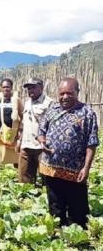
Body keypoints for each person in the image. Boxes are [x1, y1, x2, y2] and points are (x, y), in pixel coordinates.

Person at [38, 77, 99, 227]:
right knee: (55, 203)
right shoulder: (52, 109)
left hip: (75, 171)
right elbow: (41, 130)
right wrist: (42, 141)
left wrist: (86, 168)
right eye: (62, 93)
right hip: (51, 168)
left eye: (69, 93)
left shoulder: (87, 113)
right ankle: (58, 232)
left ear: (77, 92)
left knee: (77, 206)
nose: (65, 97)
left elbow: (91, 143)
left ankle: (76, 235)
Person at [17, 78, 53, 184]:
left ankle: (45, 198)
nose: (30, 90)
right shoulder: (27, 103)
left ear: (41, 88)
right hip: (26, 145)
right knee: (24, 178)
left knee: (46, 178)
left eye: (33, 87)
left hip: (41, 147)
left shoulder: (49, 104)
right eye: (28, 88)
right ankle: (27, 198)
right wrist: (20, 140)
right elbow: (24, 123)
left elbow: (53, 125)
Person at [0, 78, 23, 165]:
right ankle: (0, 171)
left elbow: (23, 116)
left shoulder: (16, 100)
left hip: (11, 133)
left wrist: (21, 130)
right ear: (1, 88)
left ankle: (14, 173)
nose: (5, 89)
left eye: (8, 87)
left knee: (13, 155)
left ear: (11, 87)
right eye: (3, 87)